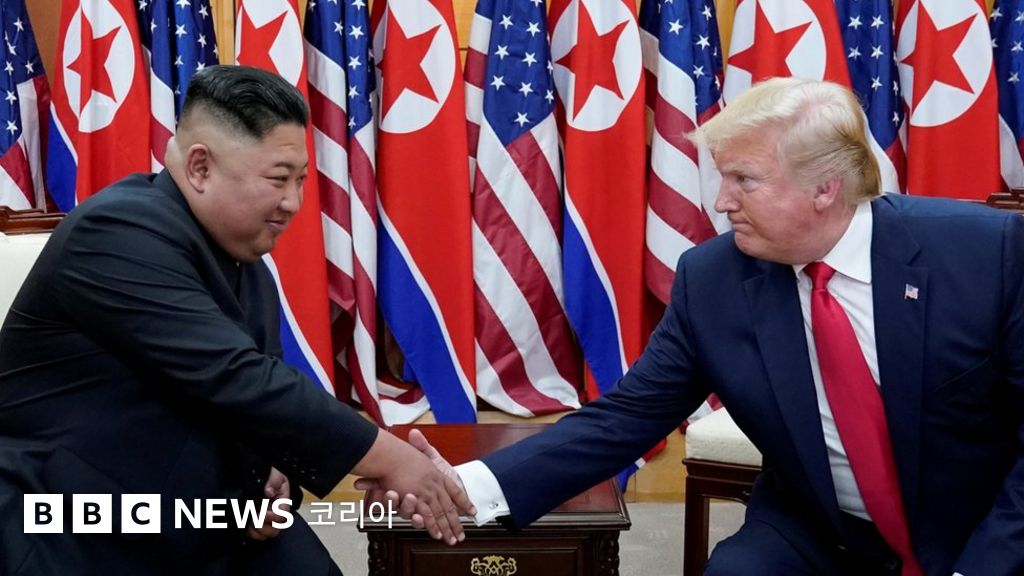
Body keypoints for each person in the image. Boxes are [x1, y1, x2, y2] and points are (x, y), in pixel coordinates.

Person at [375, 78, 1024, 575]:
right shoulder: (714, 280)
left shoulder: (987, 255)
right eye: (721, 177)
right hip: (820, 526)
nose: (721, 201)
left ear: (825, 188)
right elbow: (625, 419)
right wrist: (468, 485)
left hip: (981, 526)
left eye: (744, 180)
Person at [0, 65, 473, 576]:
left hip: (213, 520)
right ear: (200, 167)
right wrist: (390, 458)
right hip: (75, 523)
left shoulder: (247, 266)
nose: (293, 203)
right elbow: (235, 377)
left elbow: (252, 408)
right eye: (278, 179)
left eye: (301, 181)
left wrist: (270, 471)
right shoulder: (115, 232)